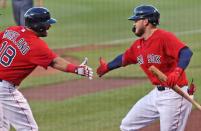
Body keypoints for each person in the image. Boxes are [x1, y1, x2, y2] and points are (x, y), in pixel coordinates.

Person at [96, 5, 194, 131]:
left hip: (175, 94)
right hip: (157, 94)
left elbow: (186, 52)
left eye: (136, 20)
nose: (134, 24)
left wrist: (177, 72)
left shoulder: (163, 37)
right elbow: (123, 58)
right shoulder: (138, 45)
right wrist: (107, 67)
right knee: (127, 125)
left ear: (146, 21)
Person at [0, 7, 93, 130]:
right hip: (4, 90)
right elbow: (55, 62)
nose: (49, 26)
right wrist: (77, 69)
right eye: (47, 24)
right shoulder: (36, 45)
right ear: (39, 26)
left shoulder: (12, 30)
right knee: (29, 128)